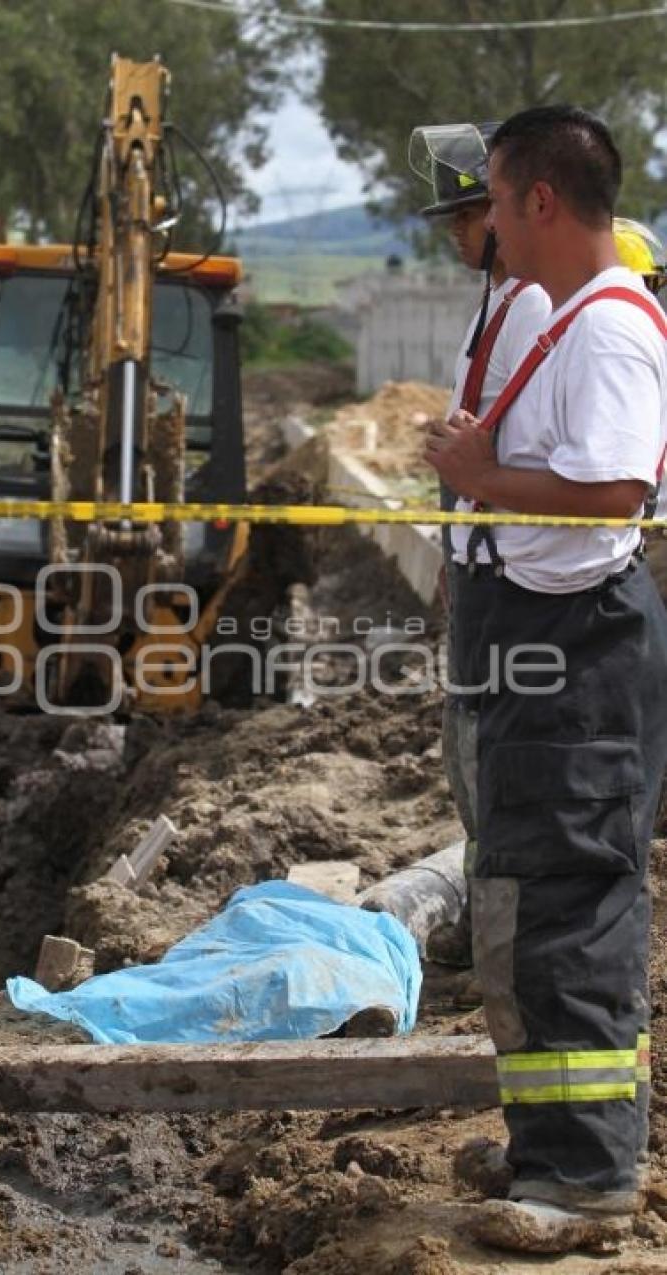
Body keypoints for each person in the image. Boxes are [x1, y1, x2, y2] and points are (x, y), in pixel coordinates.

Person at [424, 104, 667, 1255]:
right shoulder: (565, 319)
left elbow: (618, 495)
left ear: (538, 200)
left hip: (575, 648)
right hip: (541, 635)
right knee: (525, 898)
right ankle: (548, 1147)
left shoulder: (609, 329)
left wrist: (479, 472)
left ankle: (583, 1179)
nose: (482, 236)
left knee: (569, 904)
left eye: (491, 201)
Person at [409, 123, 550, 965]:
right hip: (479, 562)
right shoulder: (493, 306)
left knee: (496, 758)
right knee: (469, 755)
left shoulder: (532, 303)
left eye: (464, 218)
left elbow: (519, 450)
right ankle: (494, 920)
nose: (456, 235)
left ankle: (510, 935)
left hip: (514, 575)